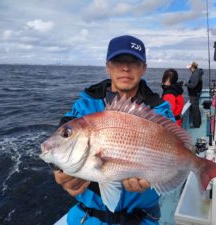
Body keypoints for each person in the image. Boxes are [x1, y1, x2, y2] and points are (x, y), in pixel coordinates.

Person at [53, 35, 175, 225]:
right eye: (118, 61)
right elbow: (62, 138)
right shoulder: (85, 105)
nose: (125, 68)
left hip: (142, 219)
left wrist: (158, 175)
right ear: (108, 66)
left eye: (134, 62)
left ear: (144, 68)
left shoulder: (159, 110)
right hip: (87, 217)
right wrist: (58, 170)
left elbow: (172, 149)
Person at [184, 61, 203, 128]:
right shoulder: (197, 73)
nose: (189, 69)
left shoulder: (195, 74)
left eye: (190, 67)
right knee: (196, 109)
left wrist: (185, 84)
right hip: (196, 94)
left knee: (195, 110)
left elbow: (193, 85)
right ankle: (198, 123)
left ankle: (196, 124)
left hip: (194, 94)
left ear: (192, 67)